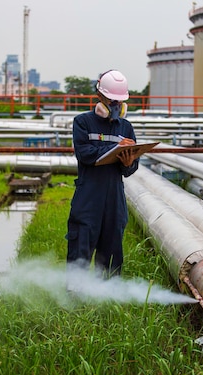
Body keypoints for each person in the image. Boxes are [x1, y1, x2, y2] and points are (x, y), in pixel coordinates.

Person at [65, 69, 139, 278]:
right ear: (99, 96)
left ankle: (108, 297)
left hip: (114, 199)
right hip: (88, 196)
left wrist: (128, 162)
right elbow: (85, 154)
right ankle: (74, 295)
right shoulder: (83, 122)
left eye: (119, 101)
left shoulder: (126, 127)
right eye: (111, 99)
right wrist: (114, 150)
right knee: (80, 246)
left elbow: (131, 169)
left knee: (112, 251)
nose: (115, 105)